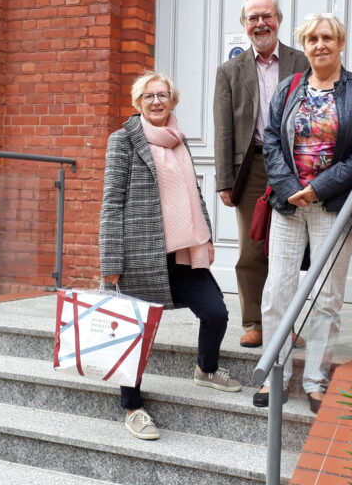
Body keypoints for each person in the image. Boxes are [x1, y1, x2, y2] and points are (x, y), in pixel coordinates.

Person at [100, 71, 242, 441]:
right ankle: (132, 407)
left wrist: (206, 235)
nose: (157, 101)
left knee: (216, 313)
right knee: (135, 333)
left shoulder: (180, 141)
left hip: (184, 249)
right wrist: (111, 263)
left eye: (163, 95)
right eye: (149, 96)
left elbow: (193, 195)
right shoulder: (123, 141)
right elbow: (112, 203)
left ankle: (205, 369)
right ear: (138, 102)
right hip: (141, 253)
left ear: (173, 100)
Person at [253, 13, 352, 414]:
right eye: (312, 39)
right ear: (304, 46)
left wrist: (318, 188)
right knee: (278, 292)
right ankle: (276, 375)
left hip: (335, 204)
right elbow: (271, 140)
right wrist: (292, 190)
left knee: (326, 297)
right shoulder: (290, 87)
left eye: (327, 37)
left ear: (340, 43)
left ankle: (315, 380)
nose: (320, 44)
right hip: (289, 207)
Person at [213, 0, 310, 348]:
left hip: (296, 166)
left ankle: (285, 323)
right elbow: (223, 128)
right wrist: (225, 180)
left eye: (266, 16)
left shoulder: (302, 62)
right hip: (250, 166)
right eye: (252, 18)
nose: (260, 23)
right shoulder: (230, 71)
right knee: (252, 247)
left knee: (290, 248)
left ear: (278, 19)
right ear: (244, 24)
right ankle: (254, 321)